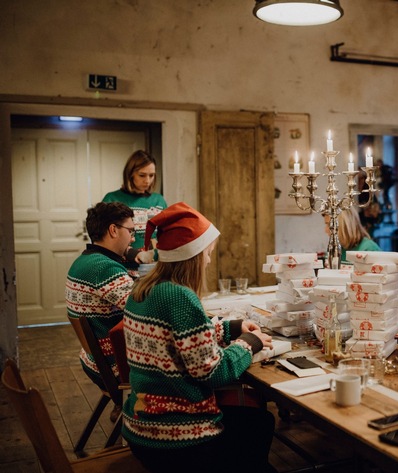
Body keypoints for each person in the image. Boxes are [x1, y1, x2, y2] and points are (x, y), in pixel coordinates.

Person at [121, 202, 276, 472]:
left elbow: (176, 340)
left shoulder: (143, 289)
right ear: (191, 256)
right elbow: (212, 372)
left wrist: (231, 327)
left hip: (140, 426)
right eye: (207, 254)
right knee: (260, 423)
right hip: (178, 437)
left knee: (257, 424)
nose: (208, 260)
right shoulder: (180, 297)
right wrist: (249, 344)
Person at [65, 201, 137, 419]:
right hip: (114, 368)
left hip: (95, 362)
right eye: (131, 231)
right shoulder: (104, 268)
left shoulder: (86, 261)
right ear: (114, 230)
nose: (133, 238)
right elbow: (147, 310)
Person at [102, 150, 167, 266]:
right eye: (142, 175)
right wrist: (131, 253)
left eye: (151, 175)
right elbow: (103, 238)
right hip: (122, 267)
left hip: (154, 267)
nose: (147, 180)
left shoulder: (159, 200)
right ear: (130, 174)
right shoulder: (112, 199)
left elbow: (166, 234)